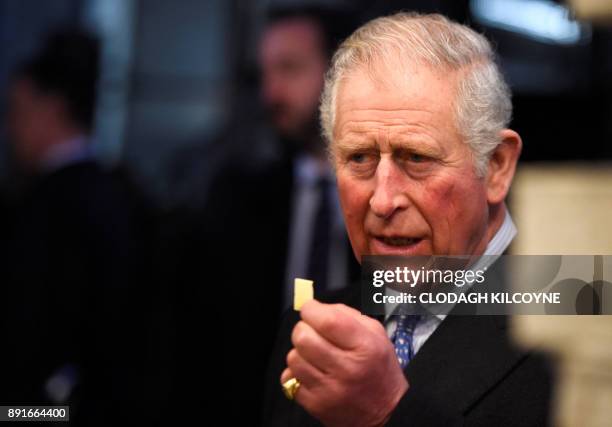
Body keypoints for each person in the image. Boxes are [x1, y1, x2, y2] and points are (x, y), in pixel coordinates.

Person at [264, 13, 552, 426]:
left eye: (416, 158)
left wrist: (390, 411)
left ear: (496, 167)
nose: (382, 201)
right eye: (359, 158)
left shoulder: (582, 323)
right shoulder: (314, 328)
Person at [1, 29, 148, 425]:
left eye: (16, 110)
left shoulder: (44, 207)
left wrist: (20, 414)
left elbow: (32, 331)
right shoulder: (124, 195)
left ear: (50, 107)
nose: (10, 129)